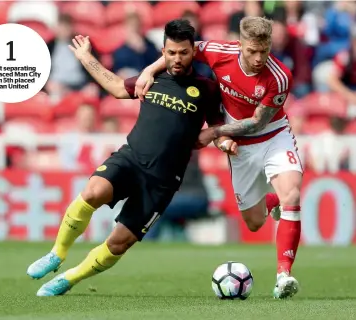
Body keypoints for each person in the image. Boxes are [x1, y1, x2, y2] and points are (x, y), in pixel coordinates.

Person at [27, 19, 236, 296]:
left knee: (118, 244)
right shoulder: (152, 78)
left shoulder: (207, 89)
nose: (177, 58)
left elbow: (217, 126)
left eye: (183, 53)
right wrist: (86, 58)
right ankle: (56, 253)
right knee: (92, 192)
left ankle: (69, 278)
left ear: (192, 52)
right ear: (163, 51)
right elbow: (114, 87)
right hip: (131, 159)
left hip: (162, 181)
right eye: (171, 52)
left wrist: (224, 140)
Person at [135, 16, 303, 299]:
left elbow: (258, 122)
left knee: (293, 196)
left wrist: (214, 132)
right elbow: (180, 50)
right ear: (240, 45)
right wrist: (148, 71)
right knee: (253, 222)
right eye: (252, 51)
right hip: (241, 147)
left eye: (264, 50)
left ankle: (283, 275)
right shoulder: (218, 53)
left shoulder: (280, 76)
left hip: (274, 135)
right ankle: (272, 200)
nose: (259, 58)